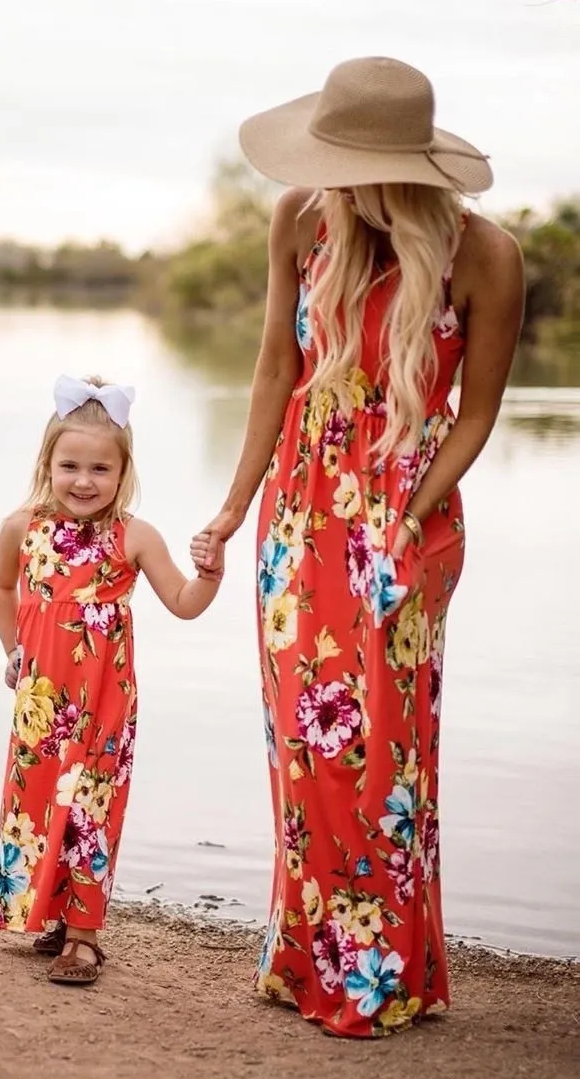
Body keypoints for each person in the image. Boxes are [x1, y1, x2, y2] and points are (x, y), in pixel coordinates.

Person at [191, 57, 524, 1036]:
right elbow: (271, 375)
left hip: (407, 517)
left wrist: (408, 515)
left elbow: (477, 418)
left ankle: (383, 971)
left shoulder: (484, 255)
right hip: (299, 512)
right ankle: (307, 957)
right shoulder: (301, 219)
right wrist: (229, 506)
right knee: (304, 742)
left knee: (383, 750)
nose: (332, 179)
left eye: (349, 163)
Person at [0, 375, 224, 985]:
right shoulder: (22, 527)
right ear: (48, 463)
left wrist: (210, 574)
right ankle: (49, 916)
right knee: (38, 804)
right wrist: (13, 648)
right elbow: (0, 587)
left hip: (103, 706)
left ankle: (85, 937)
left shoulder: (134, 537)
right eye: (70, 465)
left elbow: (184, 601)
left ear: (123, 473)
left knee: (92, 808)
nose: (84, 481)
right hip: (40, 703)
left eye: (100, 468)